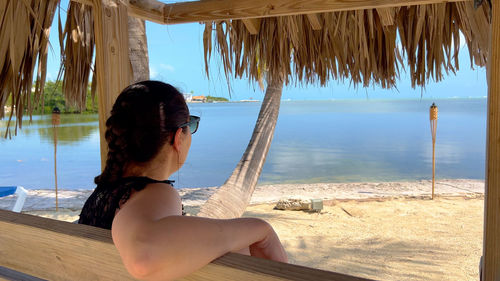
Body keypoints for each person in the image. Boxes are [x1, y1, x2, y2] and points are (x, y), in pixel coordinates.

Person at [78, 81, 287, 280]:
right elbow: (144, 258)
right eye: (191, 124)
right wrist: (261, 229)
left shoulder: (104, 195)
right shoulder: (154, 194)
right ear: (178, 137)